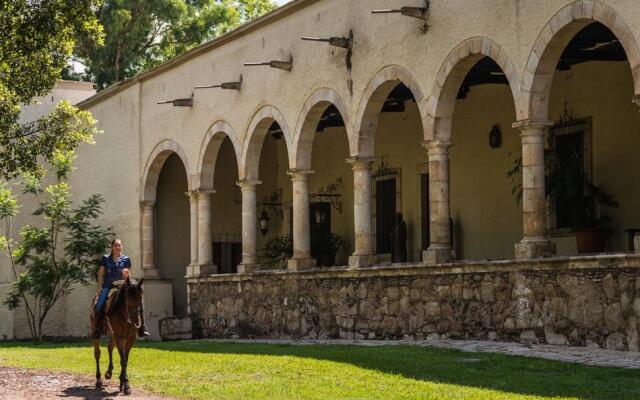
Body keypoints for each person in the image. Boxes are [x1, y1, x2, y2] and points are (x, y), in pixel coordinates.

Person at [94, 239, 150, 337]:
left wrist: (127, 274)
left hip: (122, 285)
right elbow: (100, 273)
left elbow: (127, 275)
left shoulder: (126, 259)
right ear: (112, 247)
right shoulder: (105, 258)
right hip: (108, 284)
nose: (118, 247)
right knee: (99, 305)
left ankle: (142, 328)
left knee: (138, 301)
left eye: (119, 245)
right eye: (116, 245)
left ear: (122, 247)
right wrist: (99, 288)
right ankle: (98, 328)